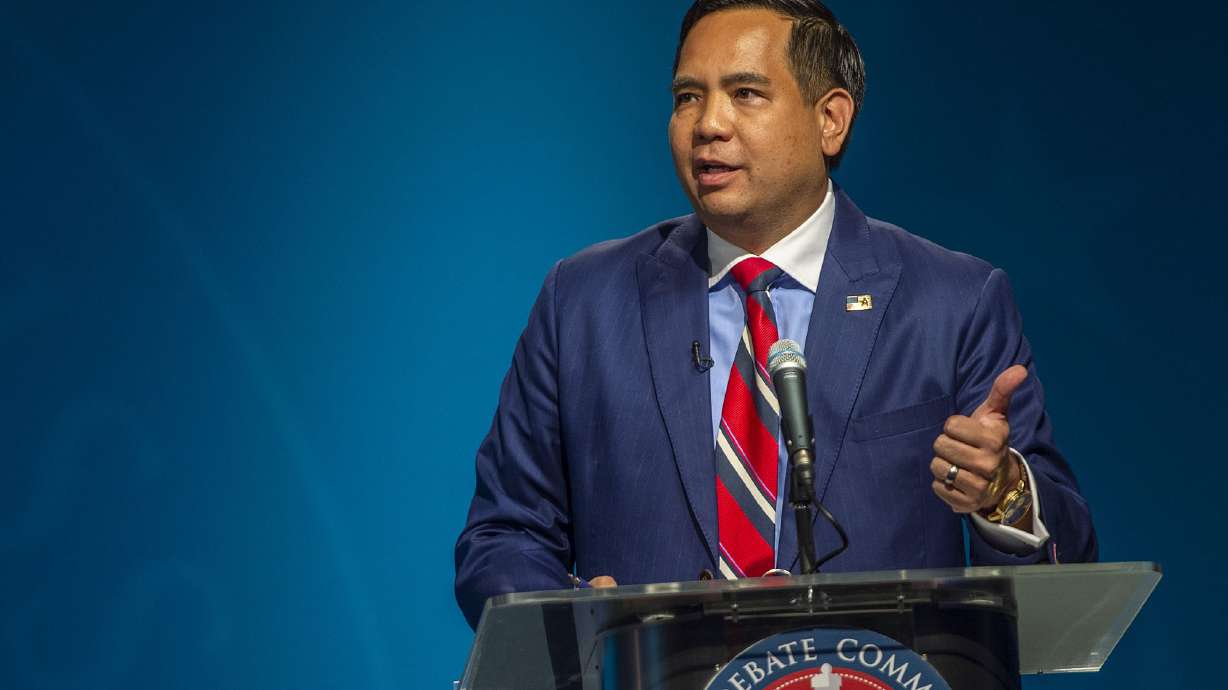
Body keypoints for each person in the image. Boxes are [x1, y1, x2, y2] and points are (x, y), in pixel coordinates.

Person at [454, 0, 1097, 630]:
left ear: (830, 120)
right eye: (688, 97)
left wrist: (1004, 493)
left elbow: (1065, 566)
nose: (708, 123)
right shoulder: (583, 302)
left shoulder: (954, 302)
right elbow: (501, 538)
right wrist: (573, 620)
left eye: (745, 93)